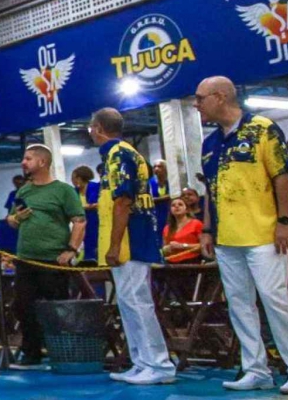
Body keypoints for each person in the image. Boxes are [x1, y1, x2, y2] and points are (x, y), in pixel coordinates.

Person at [195, 76, 288, 394]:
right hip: (226, 237)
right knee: (239, 304)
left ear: (220, 97)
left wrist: (284, 222)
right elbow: (210, 190)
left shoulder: (262, 129)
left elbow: (281, 176)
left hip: (263, 233)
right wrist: (207, 229)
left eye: (200, 98)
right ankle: (256, 368)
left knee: (275, 299)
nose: (197, 104)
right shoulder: (210, 143)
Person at [89, 108, 175, 385]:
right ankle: (141, 362)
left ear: (99, 127)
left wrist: (114, 245)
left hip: (132, 241)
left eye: (91, 127)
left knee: (138, 303)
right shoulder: (117, 154)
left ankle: (159, 364)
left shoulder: (119, 154)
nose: (89, 132)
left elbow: (123, 202)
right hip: (127, 240)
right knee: (128, 303)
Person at [4, 144, 85, 370]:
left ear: (42, 162)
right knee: (23, 306)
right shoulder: (24, 192)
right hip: (26, 260)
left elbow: (79, 221)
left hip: (52, 260)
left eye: (28, 158)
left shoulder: (63, 191)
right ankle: (32, 353)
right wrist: (16, 218)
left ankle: (61, 351)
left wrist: (71, 249)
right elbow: (10, 220)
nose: (23, 162)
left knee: (56, 308)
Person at [162, 197, 203, 263]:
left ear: (186, 209)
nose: (176, 206)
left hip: (192, 263)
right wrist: (166, 249)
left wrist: (182, 246)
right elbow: (163, 250)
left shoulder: (196, 224)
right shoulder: (166, 228)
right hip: (171, 264)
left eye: (180, 204)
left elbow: (204, 246)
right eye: (173, 205)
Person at [72, 165, 98, 262]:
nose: (72, 181)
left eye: (73, 178)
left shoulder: (96, 187)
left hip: (96, 223)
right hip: (82, 225)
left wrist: (81, 208)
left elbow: (98, 204)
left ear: (79, 178)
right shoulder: (74, 192)